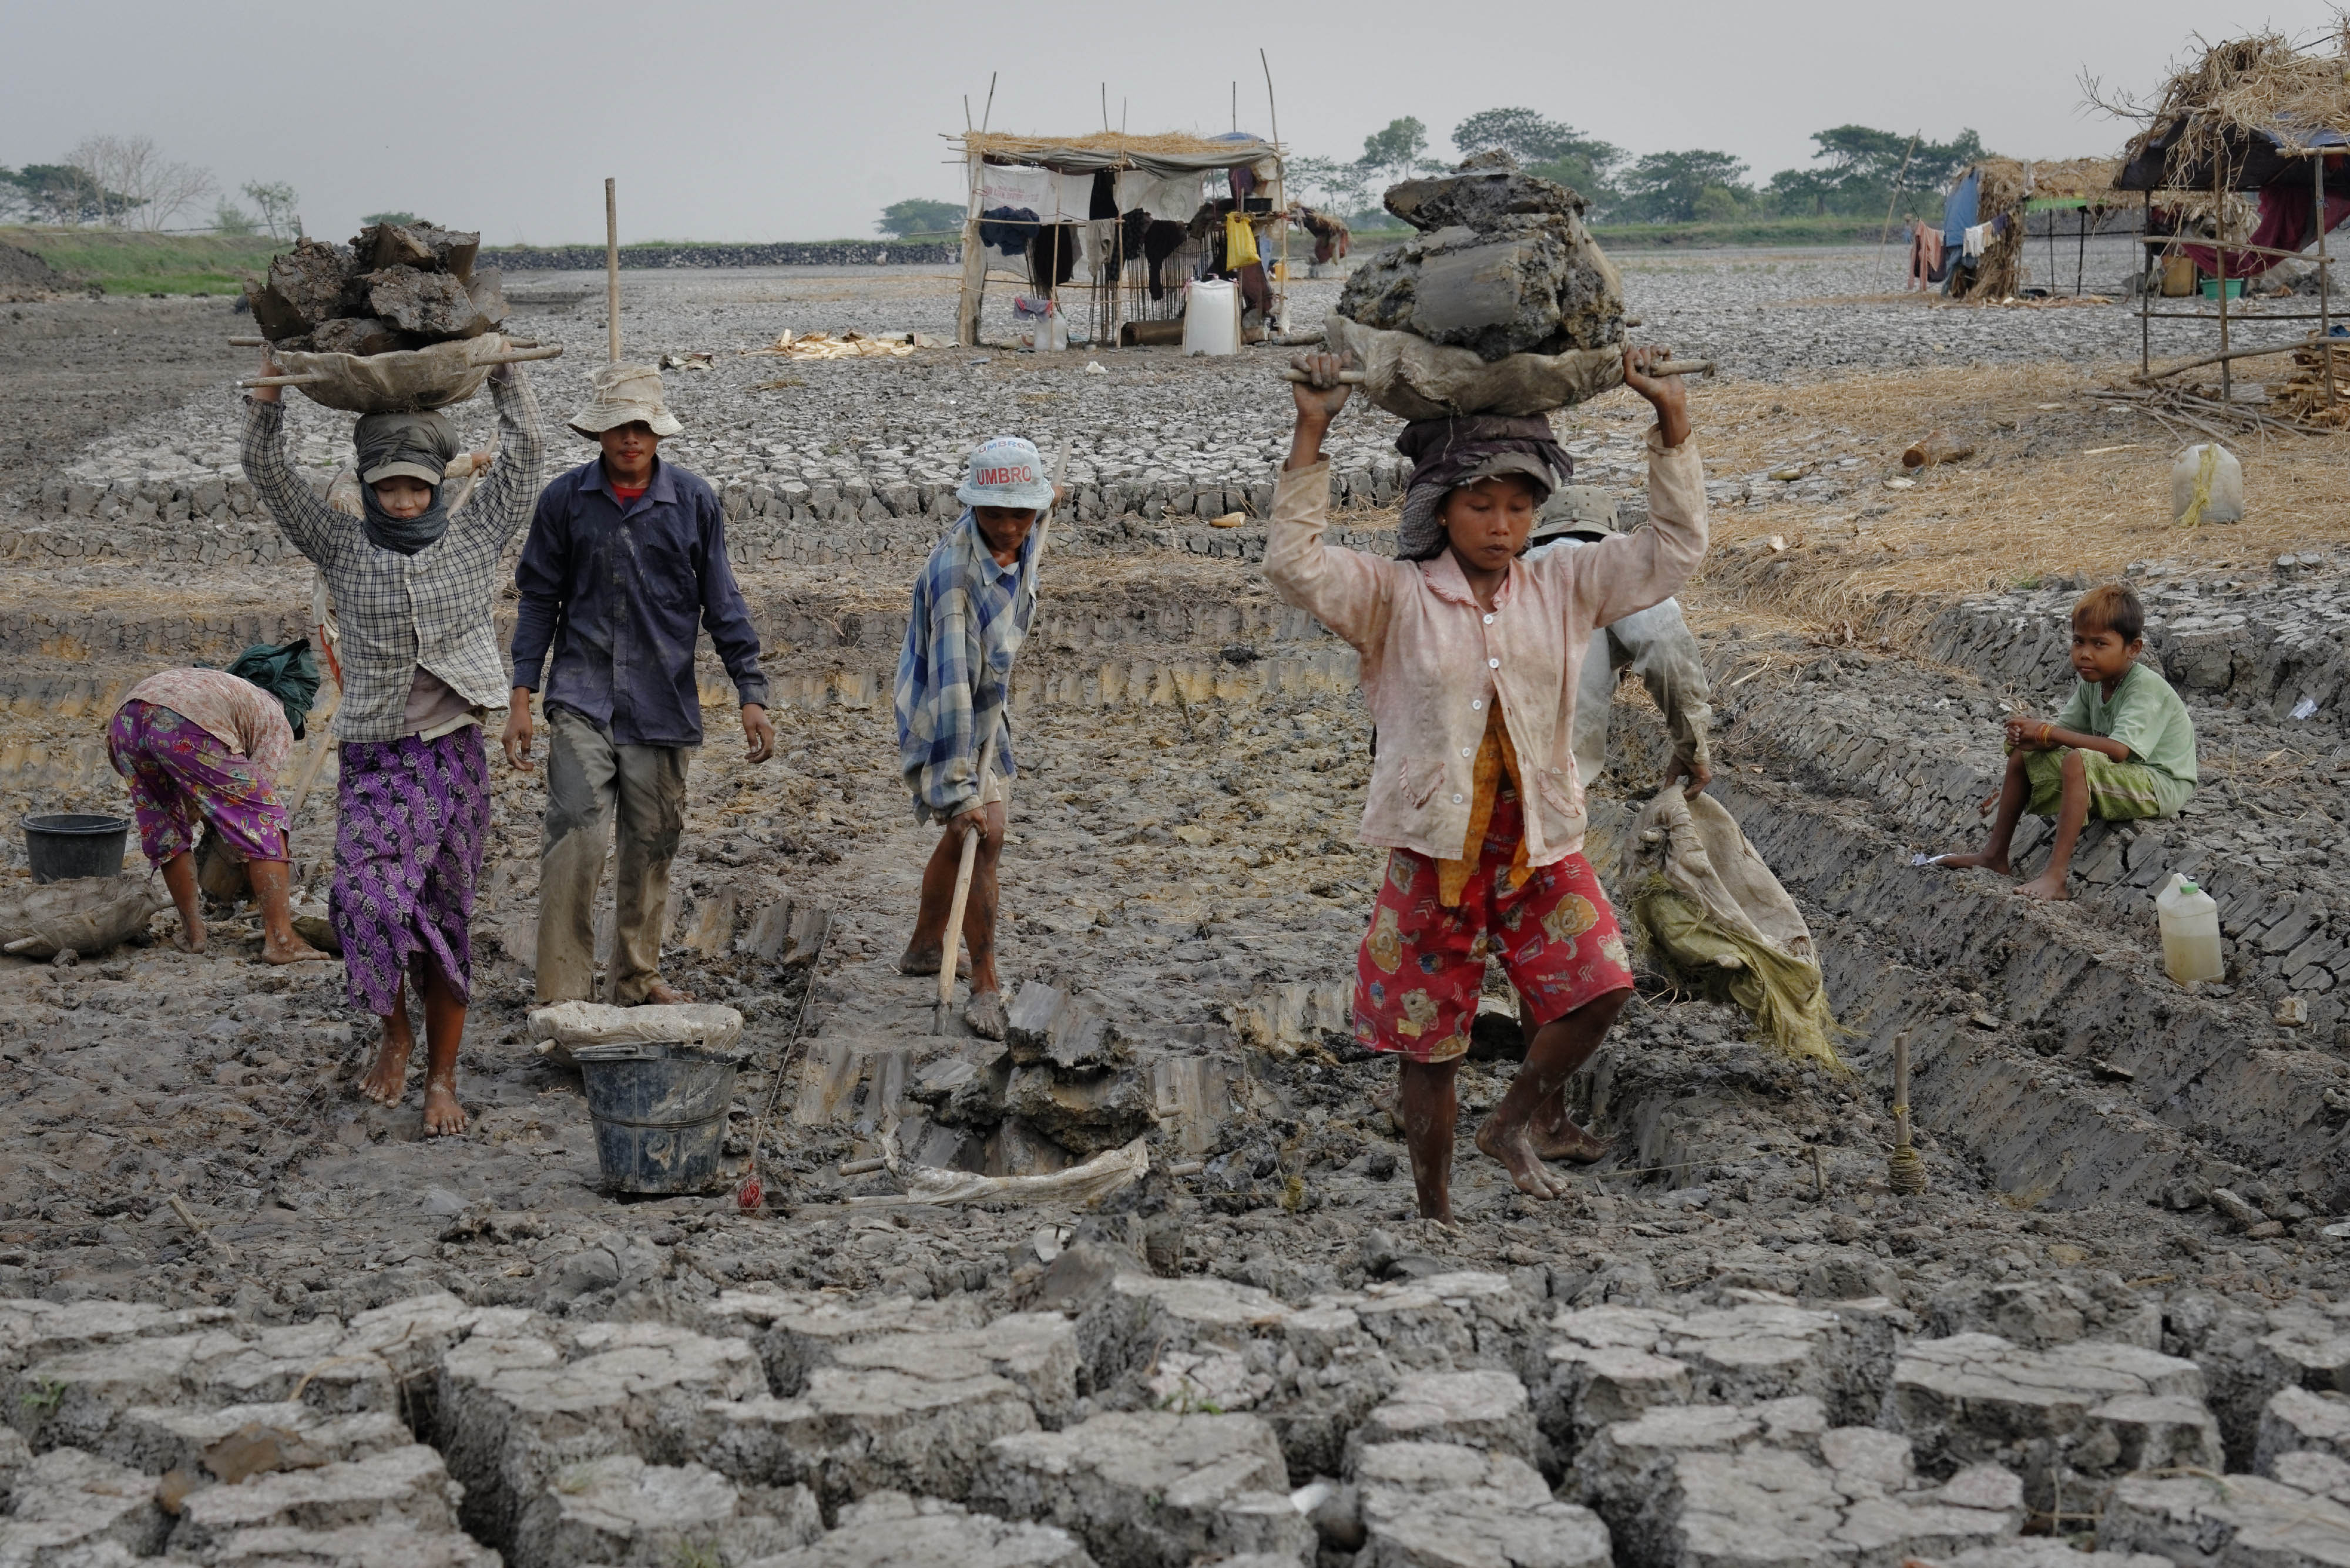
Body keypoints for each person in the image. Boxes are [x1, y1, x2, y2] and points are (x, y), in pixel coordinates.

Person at [1265, 346, 1708, 1223]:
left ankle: (1509, 1126)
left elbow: (1674, 549)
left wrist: (1671, 419)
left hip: (1540, 843)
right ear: (1440, 509)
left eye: (1518, 506)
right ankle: (1434, 1209)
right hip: (1435, 854)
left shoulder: (1566, 584)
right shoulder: (1395, 597)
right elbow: (1295, 566)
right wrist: (1312, 429)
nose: (1502, 525)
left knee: (1603, 986)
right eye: (1482, 506)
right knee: (1428, 1050)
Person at [245, 352, 545, 1137]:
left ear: (442, 484)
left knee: (445, 915)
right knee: (364, 904)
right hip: (377, 757)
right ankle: (396, 1031)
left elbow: (528, 457)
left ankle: (442, 1078)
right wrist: (270, 392)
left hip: (454, 757)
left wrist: (508, 376)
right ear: (368, 488)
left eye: (419, 486)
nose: (406, 502)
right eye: (390, 488)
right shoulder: (341, 547)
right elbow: (266, 472)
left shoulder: (475, 536)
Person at [506, 362, 774, 1009]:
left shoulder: (692, 501)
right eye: (620, 427)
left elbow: (723, 602)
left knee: (649, 846)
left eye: (642, 427)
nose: (631, 438)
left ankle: (635, 977)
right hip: (582, 696)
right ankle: (563, 992)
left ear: (658, 435)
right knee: (576, 836)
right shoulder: (565, 501)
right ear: (600, 434)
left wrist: (751, 691)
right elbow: (538, 600)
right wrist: (521, 695)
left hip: (662, 702)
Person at [893, 436, 1055, 1040]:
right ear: (971, 508)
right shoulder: (956, 579)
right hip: (944, 711)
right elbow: (954, 693)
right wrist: (960, 791)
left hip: (987, 701)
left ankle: (922, 946)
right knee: (983, 833)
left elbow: (1031, 515)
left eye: (1024, 511)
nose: (1011, 526)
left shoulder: (1023, 529)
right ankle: (985, 982)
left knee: (972, 833)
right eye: (997, 512)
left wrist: (1045, 498)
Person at [1938, 583, 2196, 901]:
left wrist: (2047, 733)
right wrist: (2031, 737)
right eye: (2079, 642)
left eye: (2100, 644)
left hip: (2160, 784)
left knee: (2077, 760)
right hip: (2123, 774)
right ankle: (1995, 855)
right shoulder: (2094, 682)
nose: (2085, 654)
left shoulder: (2144, 688)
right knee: (2024, 754)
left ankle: (2056, 877)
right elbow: (2063, 732)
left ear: (2133, 649)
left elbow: (2118, 750)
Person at [106, 665, 325, 963]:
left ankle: (194, 935)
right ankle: (282, 941)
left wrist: (204, 814)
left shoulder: (228, 690)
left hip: (127, 720)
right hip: (185, 720)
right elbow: (252, 814)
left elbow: (200, 797)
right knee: (266, 821)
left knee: (167, 827)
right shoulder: (275, 719)